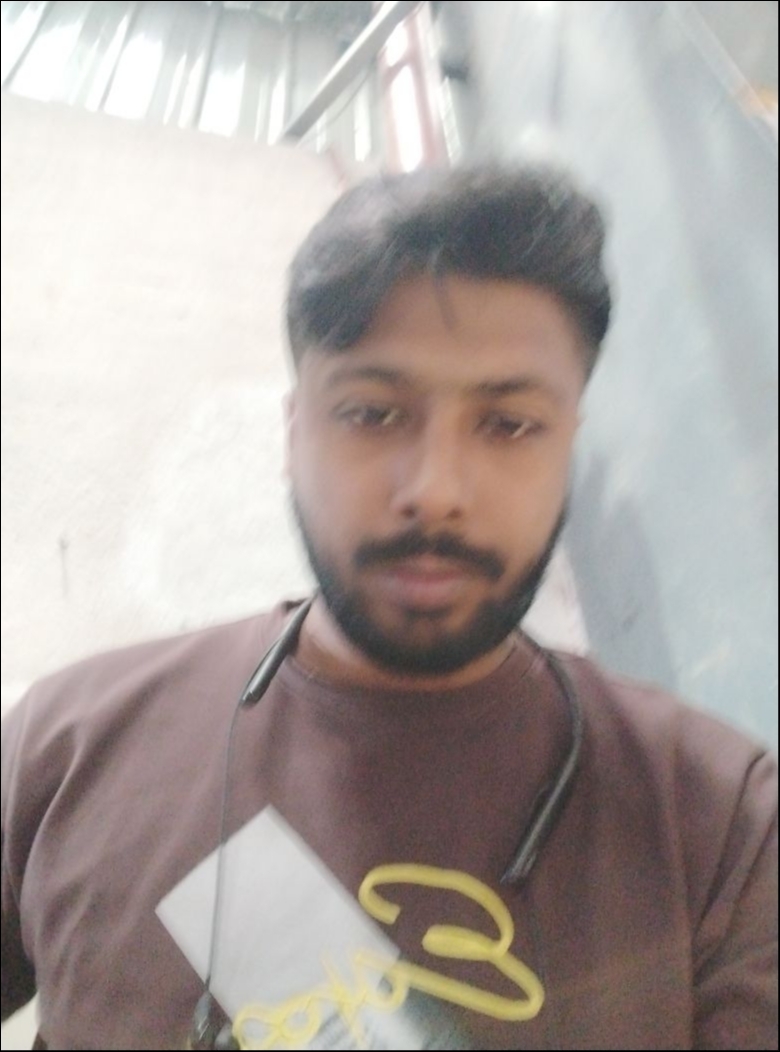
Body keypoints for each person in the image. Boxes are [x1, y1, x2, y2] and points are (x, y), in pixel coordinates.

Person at [1, 165, 776, 1052]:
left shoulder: (724, 827)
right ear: (293, 433)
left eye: (509, 424)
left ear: (569, 446)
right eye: (372, 413)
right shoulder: (65, 745)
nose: (436, 490)